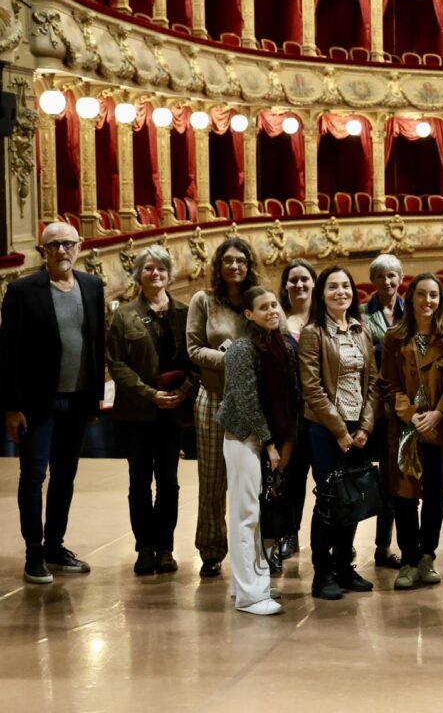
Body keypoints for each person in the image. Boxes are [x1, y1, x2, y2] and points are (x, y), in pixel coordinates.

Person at [1, 222, 105, 584]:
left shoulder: (92, 286)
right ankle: (34, 555)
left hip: (77, 401)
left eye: (68, 244)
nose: (62, 250)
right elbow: (8, 353)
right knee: (33, 476)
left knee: (65, 476)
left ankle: (55, 547)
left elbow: (97, 343)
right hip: (36, 404)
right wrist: (11, 407)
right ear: (42, 251)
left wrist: (93, 400)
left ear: (80, 246)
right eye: (54, 245)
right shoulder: (22, 291)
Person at [105, 246, 197, 576]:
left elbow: (196, 358)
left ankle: (166, 546)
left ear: (169, 275)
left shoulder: (185, 313)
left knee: (169, 481)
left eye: (160, 268)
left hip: (173, 411)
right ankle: (145, 547)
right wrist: (150, 394)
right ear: (138, 275)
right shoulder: (125, 315)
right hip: (138, 412)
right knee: (140, 481)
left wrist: (183, 391)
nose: (155, 273)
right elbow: (116, 363)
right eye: (148, 268)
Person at [381, 272, 443, 590]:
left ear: (441, 300)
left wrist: (438, 414)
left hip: (437, 427)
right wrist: (411, 415)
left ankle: (427, 557)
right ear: (411, 298)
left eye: (433, 295)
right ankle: (408, 560)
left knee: (435, 493)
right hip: (406, 428)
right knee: (404, 496)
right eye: (421, 294)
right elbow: (388, 384)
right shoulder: (394, 337)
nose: (427, 301)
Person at [299, 265, 381, 600]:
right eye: (332, 287)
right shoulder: (313, 333)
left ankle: (345, 566)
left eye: (345, 286)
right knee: (330, 499)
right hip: (325, 428)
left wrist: (364, 427)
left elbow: (373, 382)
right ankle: (323, 573)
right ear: (321, 294)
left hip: (358, 427)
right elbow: (312, 389)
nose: (340, 292)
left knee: (354, 497)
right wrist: (339, 432)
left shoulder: (362, 330)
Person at [216, 286, 298, 616]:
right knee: (245, 515)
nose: (272, 311)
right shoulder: (241, 348)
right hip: (244, 438)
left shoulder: (279, 345)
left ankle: (250, 584)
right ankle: (250, 596)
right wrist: (268, 443)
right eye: (263, 307)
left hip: (264, 439)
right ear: (249, 314)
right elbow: (247, 401)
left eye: (274, 305)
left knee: (254, 516)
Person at [186, 236, 257, 579]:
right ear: (218, 265)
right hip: (213, 397)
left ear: (249, 265)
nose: (234, 265)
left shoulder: (257, 299)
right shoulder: (204, 301)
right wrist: (231, 359)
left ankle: (253, 549)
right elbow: (194, 349)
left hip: (251, 402)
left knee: (250, 481)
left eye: (240, 260)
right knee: (213, 480)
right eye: (228, 260)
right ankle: (211, 550)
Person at [364, 253, 404, 570]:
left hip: (402, 404)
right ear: (373, 281)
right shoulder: (363, 315)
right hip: (373, 404)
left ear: (400, 278)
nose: (387, 281)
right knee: (363, 478)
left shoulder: (410, 310)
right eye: (381, 276)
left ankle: (384, 547)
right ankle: (347, 547)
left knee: (396, 479)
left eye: (392, 275)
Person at [277, 258, 316, 560]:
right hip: (291, 412)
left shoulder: (325, 318)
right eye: (294, 280)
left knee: (330, 477)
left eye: (305, 279)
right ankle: (290, 533)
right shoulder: (277, 320)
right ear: (285, 286)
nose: (300, 284)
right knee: (293, 477)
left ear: (314, 284)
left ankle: (336, 535)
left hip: (324, 411)